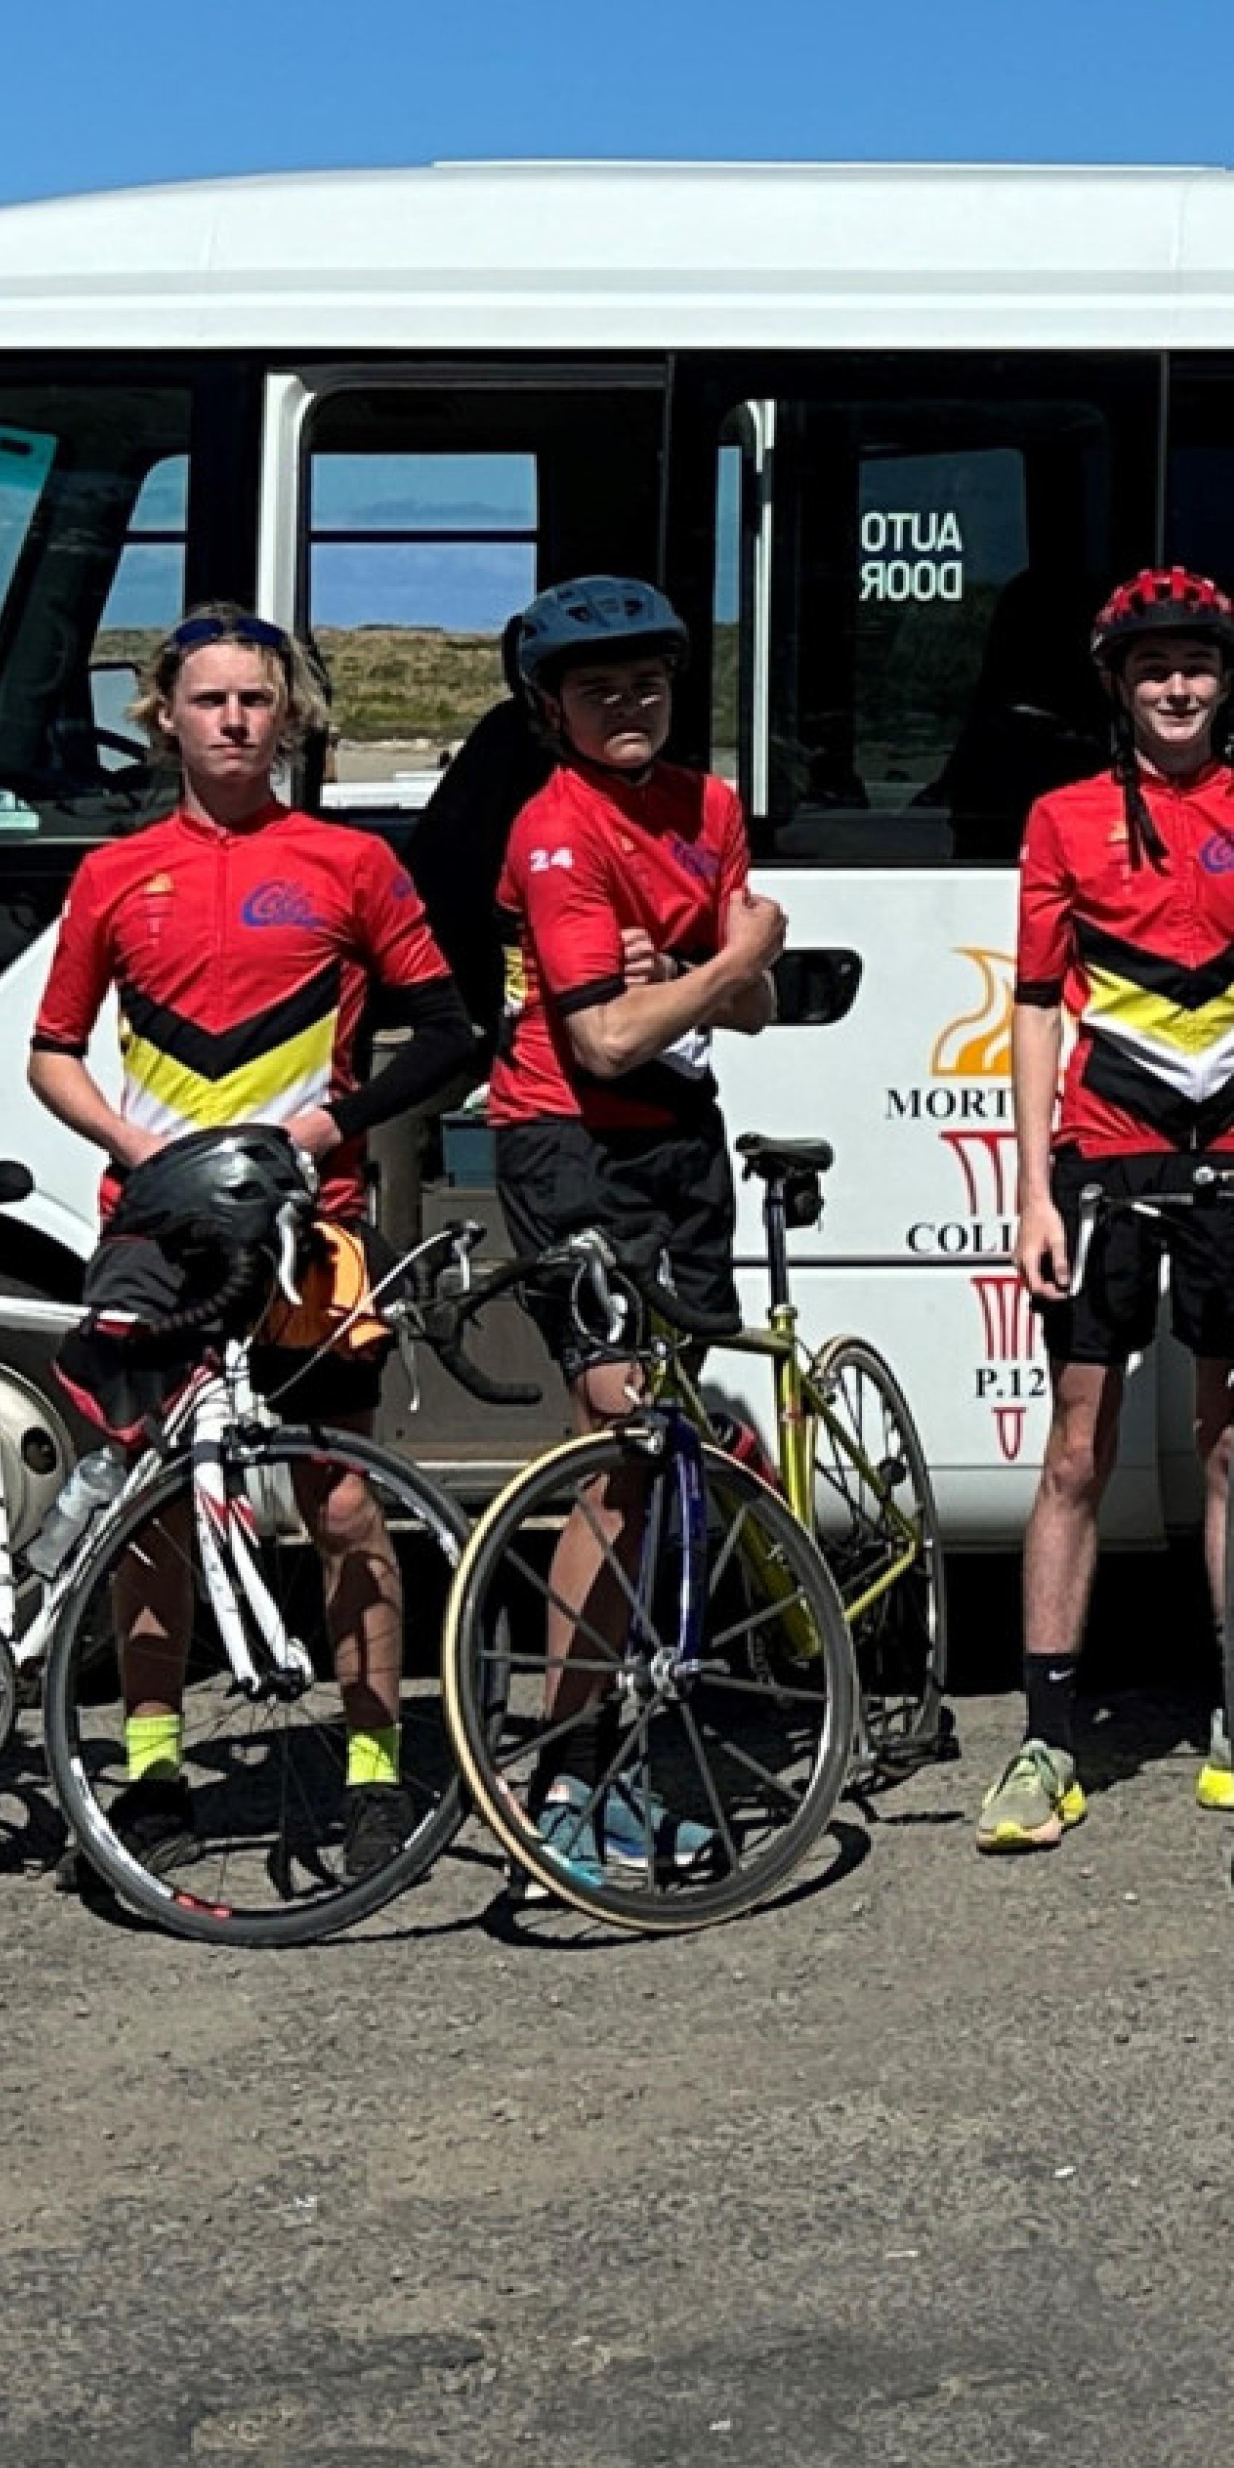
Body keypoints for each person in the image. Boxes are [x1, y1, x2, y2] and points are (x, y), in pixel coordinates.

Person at [24, 610, 487, 1880]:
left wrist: (334, 1121)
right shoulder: (113, 874)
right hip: (158, 1234)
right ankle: (155, 1768)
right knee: (153, 1506)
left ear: (290, 718)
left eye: (256, 700)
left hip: (307, 1232)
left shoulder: (351, 864)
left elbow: (454, 1034)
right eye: (209, 699)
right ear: (162, 717)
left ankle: (376, 1768)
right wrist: (128, 1144)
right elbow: (51, 1051)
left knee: (342, 1506)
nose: (233, 720)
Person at [980, 569, 1234, 1857]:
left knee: (1231, 1436)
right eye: (1151, 669)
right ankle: (1047, 1737)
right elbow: (1032, 1005)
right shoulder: (1064, 818)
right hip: (1105, 1153)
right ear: (1119, 687)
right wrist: (1033, 1187)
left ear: (1225, 679)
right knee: (1077, 1445)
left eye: (1195, 665)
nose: (1175, 687)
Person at [478, 576, 784, 1893]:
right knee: (620, 1435)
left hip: (679, 1134)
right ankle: (566, 1753)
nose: (630, 704)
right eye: (599, 688)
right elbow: (602, 1033)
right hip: (565, 1140)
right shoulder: (555, 831)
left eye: (650, 681)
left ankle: (655, 1726)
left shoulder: (709, 808)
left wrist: (709, 982)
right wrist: (720, 967)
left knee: (671, 1449)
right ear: (551, 708)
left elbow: (756, 1010)